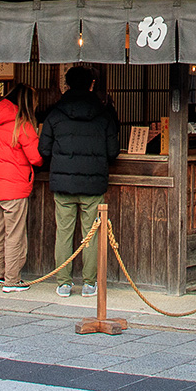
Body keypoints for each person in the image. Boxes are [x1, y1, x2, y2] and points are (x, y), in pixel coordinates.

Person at [37, 66, 119, 297]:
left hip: (63, 183)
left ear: (67, 84)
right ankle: (89, 283)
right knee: (91, 233)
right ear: (91, 84)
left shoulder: (55, 113)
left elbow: (43, 149)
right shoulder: (103, 114)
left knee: (63, 233)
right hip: (93, 185)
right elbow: (113, 151)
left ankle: (63, 282)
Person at [0, 83, 41, 293]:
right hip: (15, 188)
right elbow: (36, 157)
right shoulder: (22, 126)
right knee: (15, 234)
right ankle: (12, 279)